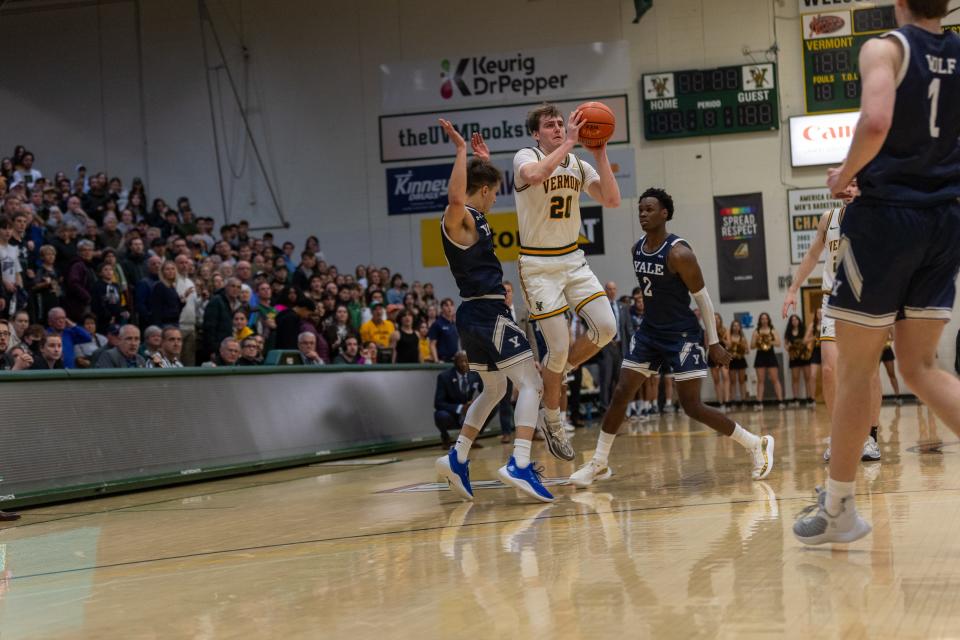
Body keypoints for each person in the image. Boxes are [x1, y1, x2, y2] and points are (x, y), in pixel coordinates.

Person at [795, 0, 960, 545]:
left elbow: (877, 119)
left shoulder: (884, 48)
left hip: (887, 219)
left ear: (899, 1)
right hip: (944, 218)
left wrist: (845, 171)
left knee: (857, 369)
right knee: (919, 366)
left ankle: (839, 506)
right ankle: (838, 503)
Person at [569, 188, 774, 488]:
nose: (643, 213)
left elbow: (702, 299)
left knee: (692, 406)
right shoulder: (636, 249)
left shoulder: (679, 253)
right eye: (640, 209)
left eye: (649, 209)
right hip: (650, 333)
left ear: (664, 213)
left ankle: (755, 443)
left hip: (681, 336)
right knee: (621, 392)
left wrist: (713, 342)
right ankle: (599, 462)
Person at [433, 119, 564, 504]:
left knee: (494, 389)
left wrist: (480, 161)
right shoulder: (459, 219)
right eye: (492, 194)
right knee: (532, 383)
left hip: (475, 316)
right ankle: (520, 462)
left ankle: (457, 457)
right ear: (485, 192)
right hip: (488, 314)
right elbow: (458, 199)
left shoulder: (478, 217)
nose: (494, 201)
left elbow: (473, 192)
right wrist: (460, 153)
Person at [513, 103, 621, 446]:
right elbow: (535, 176)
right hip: (538, 265)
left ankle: (558, 373)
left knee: (606, 328)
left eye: (561, 124)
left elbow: (613, 200)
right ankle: (553, 420)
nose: (559, 128)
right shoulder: (524, 156)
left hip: (572, 259)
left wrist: (600, 154)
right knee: (556, 347)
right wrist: (570, 143)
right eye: (550, 125)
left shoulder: (577, 163)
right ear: (536, 133)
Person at [783, 184, 883, 461]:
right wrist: (793, 289)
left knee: (870, 372)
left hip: (868, 299)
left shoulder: (879, 217)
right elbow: (814, 254)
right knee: (829, 370)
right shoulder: (829, 219)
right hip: (833, 299)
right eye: (846, 184)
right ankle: (840, 436)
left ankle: (870, 438)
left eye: (856, 184)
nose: (850, 189)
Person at [751, 313, 785, 410]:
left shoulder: (772, 330)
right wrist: (758, 340)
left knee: (775, 379)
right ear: (760, 320)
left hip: (770, 355)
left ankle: (780, 401)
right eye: (762, 319)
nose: (764, 320)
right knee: (760, 381)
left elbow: (778, 343)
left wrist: (769, 341)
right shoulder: (756, 331)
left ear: (768, 320)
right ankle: (759, 403)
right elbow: (751, 346)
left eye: (766, 318)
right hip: (760, 356)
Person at [784, 314, 812, 406]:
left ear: (799, 321)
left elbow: (809, 340)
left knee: (807, 378)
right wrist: (789, 348)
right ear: (790, 322)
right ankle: (795, 399)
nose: (794, 321)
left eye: (796, 319)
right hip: (794, 357)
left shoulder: (804, 330)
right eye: (792, 320)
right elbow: (785, 345)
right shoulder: (788, 332)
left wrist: (807, 347)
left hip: (804, 356)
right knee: (795, 378)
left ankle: (809, 398)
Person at [708, 313, 731, 411]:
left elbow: (729, 344)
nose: (716, 320)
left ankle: (727, 402)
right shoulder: (709, 331)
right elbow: (706, 345)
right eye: (714, 318)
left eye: (718, 319)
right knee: (716, 380)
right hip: (713, 356)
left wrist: (721, 338)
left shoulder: (725, 330)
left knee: (725, 377)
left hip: (723, 355)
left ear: (720, 320)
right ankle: (720, 402)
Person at [725, 319, 750, 406]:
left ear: (740, 327)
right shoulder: (729, 337)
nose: (736, 327)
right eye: (734, 326)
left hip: (741, 360)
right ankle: (733, 401)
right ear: (732, 327)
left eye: (737, 325)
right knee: (733, 381)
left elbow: (747, 351)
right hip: (732, 361)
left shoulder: (742, 338)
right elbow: (726, 349)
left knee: (742, 381)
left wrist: (743, 348)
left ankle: (743, 401)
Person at [427, 297, 459, 363]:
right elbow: (432, 344)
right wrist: (436, 361)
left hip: (454, 360)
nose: (449, 308)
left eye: (451, 305)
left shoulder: (454, 324)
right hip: (442, 360)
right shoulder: (437, 324)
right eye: (446, 305)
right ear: (441, 308)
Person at [879, 328, 903, 402]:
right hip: (875, 351)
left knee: (891, 374)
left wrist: (887, 342)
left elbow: (893, 336)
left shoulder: (888, 324)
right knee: (874, 376)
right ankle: (876, 398)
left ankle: (898, 396)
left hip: (887, 350)